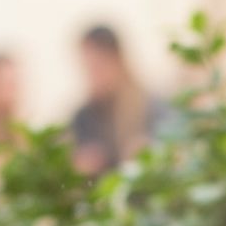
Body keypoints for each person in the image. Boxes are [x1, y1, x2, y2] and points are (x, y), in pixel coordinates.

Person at [70, 25, 166, 175]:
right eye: (87, 68)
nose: (93, 76)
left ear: (117, 60)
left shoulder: (151, 106)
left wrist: (150, 151)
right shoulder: (84, 117)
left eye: (98, 66)